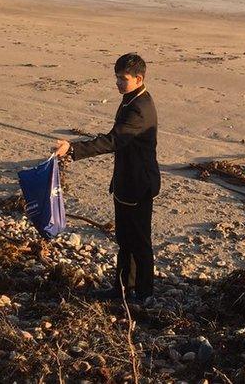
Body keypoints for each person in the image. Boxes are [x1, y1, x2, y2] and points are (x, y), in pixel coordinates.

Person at [55, 53, 160, 303]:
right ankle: (123, 288)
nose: (118, 83)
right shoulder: (130, 99)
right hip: (126, 182)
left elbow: (114, 140)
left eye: (123, 79)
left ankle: (145, 293)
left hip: (138, 184)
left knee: (140, 241)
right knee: (125, 239)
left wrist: (73, 149)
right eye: (116, 78)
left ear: (139, 78)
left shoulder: (139, 108)